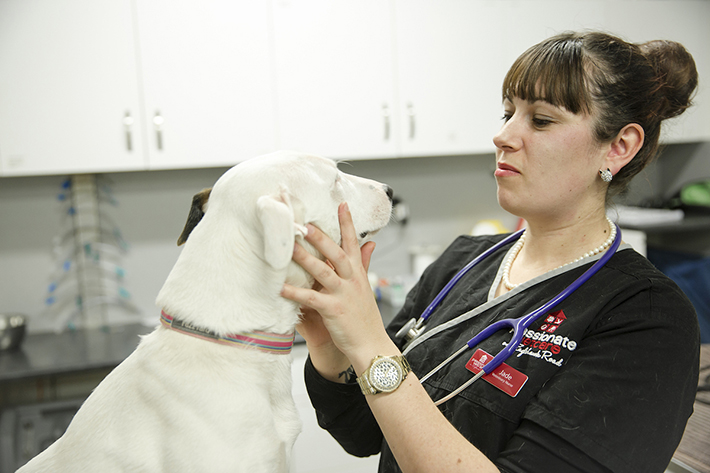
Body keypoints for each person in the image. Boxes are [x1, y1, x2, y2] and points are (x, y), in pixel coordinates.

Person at [280, 31, 701, 473]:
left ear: (618, 146)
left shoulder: (648, 318)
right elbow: (365, 430)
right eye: (507, 114)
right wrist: (333, 347)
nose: (503, 136)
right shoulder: (462, 262)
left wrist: (369, 342)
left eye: (540, 120)